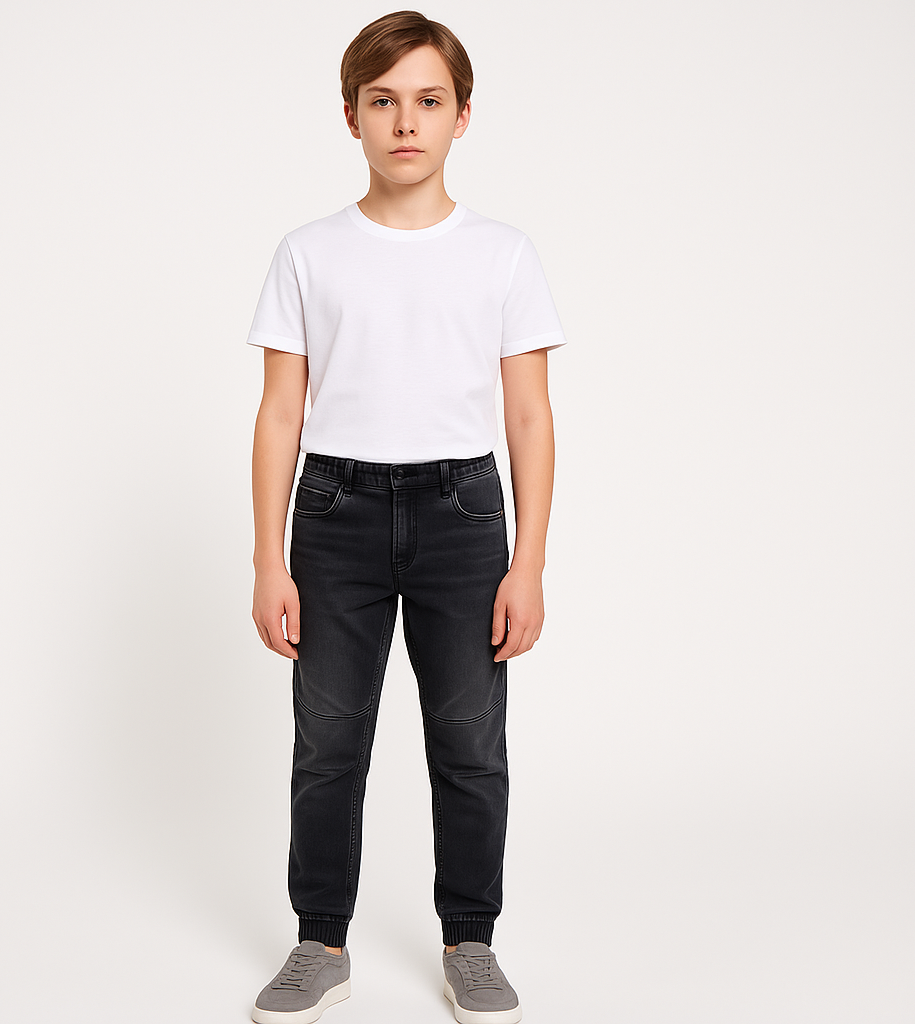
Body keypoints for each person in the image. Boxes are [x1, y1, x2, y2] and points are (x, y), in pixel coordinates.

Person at [245, 11, 566, 1023]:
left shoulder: (503, 255)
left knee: (468, 739)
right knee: (327, 741)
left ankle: (471, 940)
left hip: (462, 513)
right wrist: (267, 559)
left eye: (428, 100)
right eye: (382, 101)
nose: (405, 122)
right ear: (351, 116)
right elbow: (280, 412)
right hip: (334, 512)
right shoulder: (308, 252)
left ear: (462, 115)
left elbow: (528, 415)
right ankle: (320, 941)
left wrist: (528, 563)